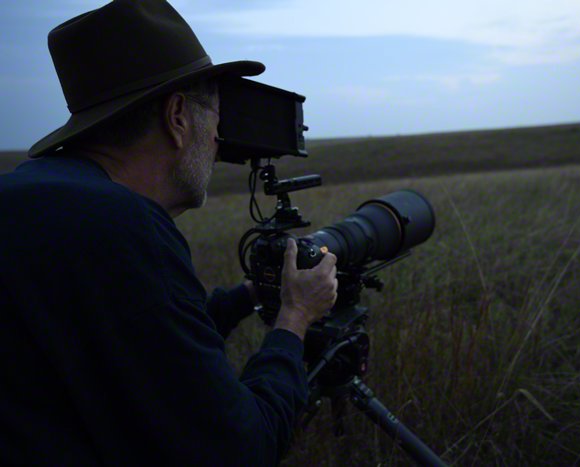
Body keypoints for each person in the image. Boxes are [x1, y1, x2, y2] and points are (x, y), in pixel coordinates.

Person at [0, 0, 337, 465]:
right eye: (215, 115)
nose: (218, 140)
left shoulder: (30, 199)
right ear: (177, 117)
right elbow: (241, 449)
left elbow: (140, 338)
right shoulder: (127, 226)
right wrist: (296, 317)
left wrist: (246, 295)